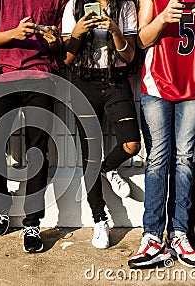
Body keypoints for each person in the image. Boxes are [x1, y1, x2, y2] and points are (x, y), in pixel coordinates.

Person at [128, 0, 195, 268]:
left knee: (183, 160)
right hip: (157, 84)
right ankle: (152, 236)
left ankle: (179, 234)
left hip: (191, 86)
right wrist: (163, 17)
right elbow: (141, 40)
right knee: (157, 160)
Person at [0, 0, 68, 253]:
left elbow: (61, 40)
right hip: (4, 75)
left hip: (41, 76)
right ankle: (1, 206)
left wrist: (54, 41)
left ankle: (32, 223)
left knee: (37, 150)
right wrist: (14, 34)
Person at [62, 0, 141, 249]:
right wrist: (77, 32)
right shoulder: (73, 5)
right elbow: (66, 58)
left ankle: (109, 168)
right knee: (90, 156)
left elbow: (128, 56)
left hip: (115, 79)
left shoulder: (125, 5)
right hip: (83, 80)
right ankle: (100, 220)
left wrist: (114, 29)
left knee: (131, 143)